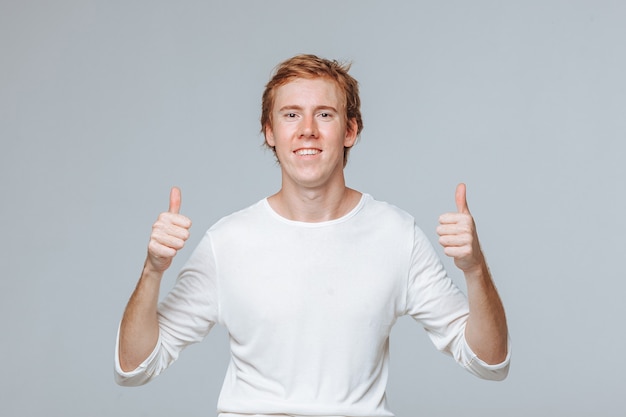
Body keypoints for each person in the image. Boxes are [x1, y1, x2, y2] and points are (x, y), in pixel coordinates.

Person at [115, 54, 510, 416]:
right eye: (290, 115)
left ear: (350, 130)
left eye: (324, 114)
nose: (307, 130)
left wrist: (474, 268)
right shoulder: (229, 242)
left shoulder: (396, 236)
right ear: (269, 132)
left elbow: (490, 362)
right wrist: (153, 270)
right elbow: (134, 368)